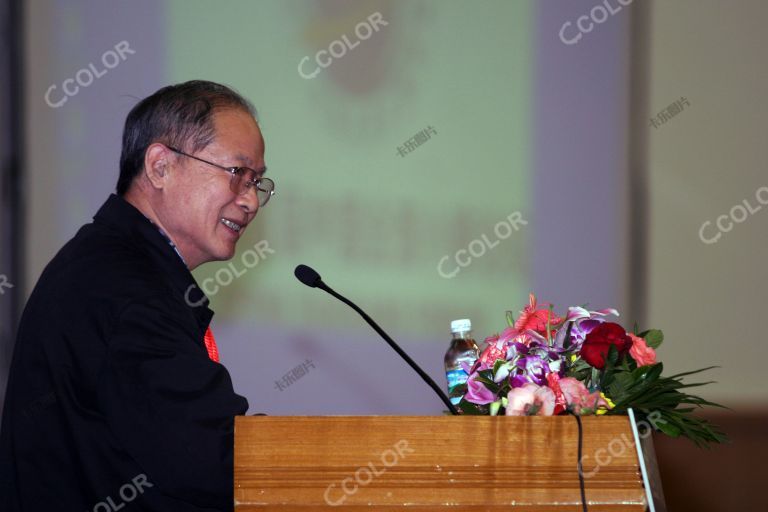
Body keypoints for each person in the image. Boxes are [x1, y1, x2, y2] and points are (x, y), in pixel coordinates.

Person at [0, 80, 274, 511]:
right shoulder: (125, 287)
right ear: (160, 166)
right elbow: (208, 462)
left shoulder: (112, 264)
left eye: (258, 182)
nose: (252, 201)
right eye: (238, 173)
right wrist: (326, 458)